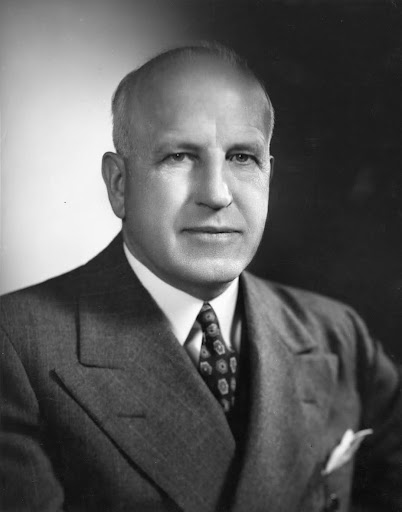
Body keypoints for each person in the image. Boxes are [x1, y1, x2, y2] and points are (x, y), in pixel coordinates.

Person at [0, 43, 401, 512]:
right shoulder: (16, 348)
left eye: (242, 158)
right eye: (180, 156)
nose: (216, 194)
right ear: (119, 184)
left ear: (268, 174)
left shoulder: (337, 334)